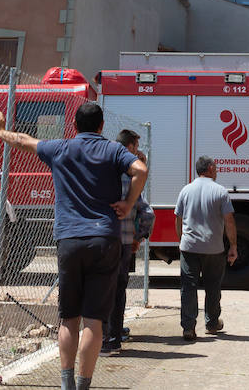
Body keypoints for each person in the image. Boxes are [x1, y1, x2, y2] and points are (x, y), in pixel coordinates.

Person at [0, 101, 147, 390]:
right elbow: (140, 169)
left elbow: (24, 141)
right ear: (102, 126)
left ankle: (66, 384)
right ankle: (84, 385)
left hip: (69, 241)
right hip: (104, 240)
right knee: (94, 322)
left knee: (68, 318)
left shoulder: (60, 148)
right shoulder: (113, 150)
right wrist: (128, 203)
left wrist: (1, 131)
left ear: (75, 125)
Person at [174, 156, 237, 342]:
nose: (217, 171)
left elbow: (177, 219)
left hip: (189, 247)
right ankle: (211, 323)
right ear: (210, 168)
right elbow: (229, 220)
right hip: (214, 249)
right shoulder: (220, 192)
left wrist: (182, 240)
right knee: (213, 286)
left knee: (188, 287)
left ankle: (188, 328)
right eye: (216, 168)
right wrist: (233, 245)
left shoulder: (185, 190)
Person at [102, 129, 151, 353]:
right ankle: (114, 338)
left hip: (99, 237)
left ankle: (99, 339)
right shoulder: (131, 178)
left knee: (99, 289)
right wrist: (138, 236)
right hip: (122, 241)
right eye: (135, 147)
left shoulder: (103, 170)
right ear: (129, 147)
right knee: (118, 288)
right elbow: (148, 213)